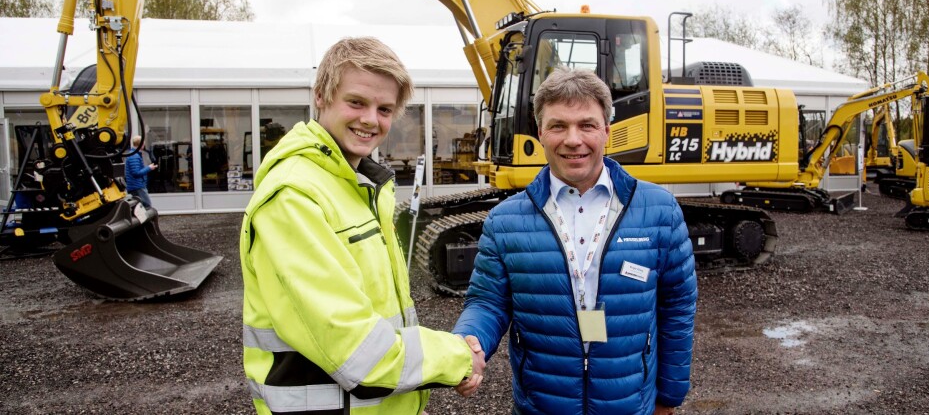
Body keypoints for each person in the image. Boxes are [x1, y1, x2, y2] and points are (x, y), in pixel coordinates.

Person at [239, 37, 484, 415]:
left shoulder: (362, 188)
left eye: (384, 108)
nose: (371, 119)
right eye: (356, 102)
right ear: (320, 95)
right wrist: (456, 357)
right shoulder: (295, 197)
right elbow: (356, 348)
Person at [453, 67, 698, 414]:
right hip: (543, 404)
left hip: (629, 403)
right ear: (540, 132)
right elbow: (487, 303)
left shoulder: (660, 211)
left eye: (586, 125)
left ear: (607, 131)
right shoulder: (506, 221)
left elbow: (677, 307)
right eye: (558, 126)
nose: (573, 139)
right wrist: (467, 345)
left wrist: (669, 396)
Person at [124, 135, 157, 209]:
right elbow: (136, 173)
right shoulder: (134, 156)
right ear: (141, 144)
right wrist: (149, 168)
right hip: (137, 186)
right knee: (147, 206)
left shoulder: (134, 154)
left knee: (139, 207)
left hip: (136, 185)